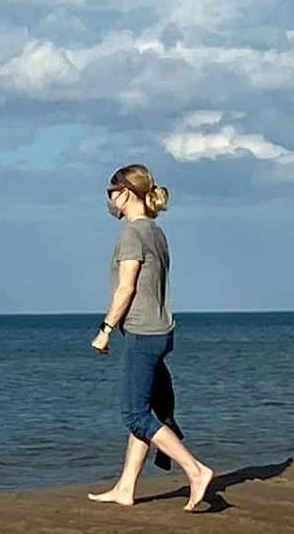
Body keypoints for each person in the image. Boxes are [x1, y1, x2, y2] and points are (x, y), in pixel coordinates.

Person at [88, 165, 213, 512]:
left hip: (143, 333)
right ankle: (126, 487)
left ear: (126, 192)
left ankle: (196, 470)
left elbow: (126, 288)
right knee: (144, 409)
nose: (110, 200)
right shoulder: (155, 232)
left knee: (134, 414)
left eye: (111, 192)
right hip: (161, 331)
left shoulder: (131, 235)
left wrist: (105, 330)